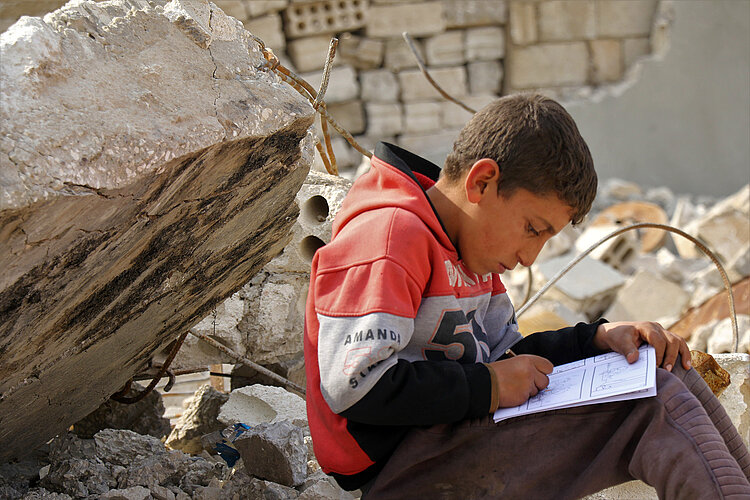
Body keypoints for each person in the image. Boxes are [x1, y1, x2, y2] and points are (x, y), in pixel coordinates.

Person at [303, 94, 750, 499]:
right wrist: (489, 386)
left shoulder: (471, 254)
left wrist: (596, 340)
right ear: (482, 182)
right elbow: (355, 385)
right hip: (407, 469)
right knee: (654, 406)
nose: (530, 257)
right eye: (532, 229)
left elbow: (509, 358)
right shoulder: (388, 237)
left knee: (660, 367)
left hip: (458, 438)